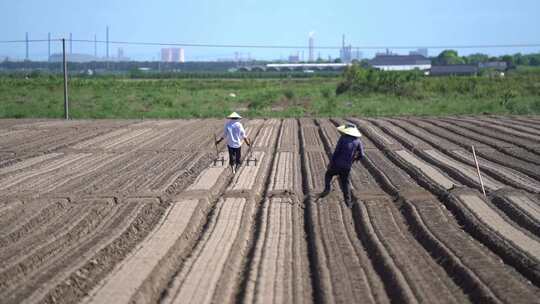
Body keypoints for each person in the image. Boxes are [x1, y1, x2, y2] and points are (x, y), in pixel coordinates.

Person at [320, 123, 364, 208]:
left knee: (328, 174)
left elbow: (336, 152)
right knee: (345, 183)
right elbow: (362, 155)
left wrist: (331, 163)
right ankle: (348, 203)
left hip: (337, 164)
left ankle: (327, 188)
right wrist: (354, 159)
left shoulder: (343, 138)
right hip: (347, 167)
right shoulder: (358, 141)